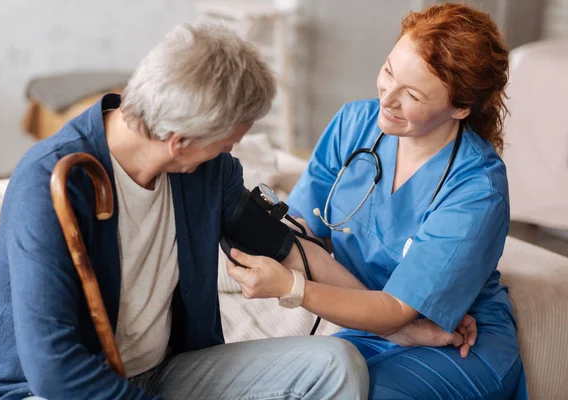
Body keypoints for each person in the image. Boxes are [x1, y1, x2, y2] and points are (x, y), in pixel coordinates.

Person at [0, 24, 371, 399]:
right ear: (178, 142)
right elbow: (53, 368)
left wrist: (393, 319)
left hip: (164, 371)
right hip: (52, 390)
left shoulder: (207, 172)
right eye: (227, 141)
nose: (230, 150)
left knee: (338, 365)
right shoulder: (53, 180)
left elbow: (288, 249)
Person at [226, 4, 527, 399]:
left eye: (413, 95)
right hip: (373, 323)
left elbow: (396, 308)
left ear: (460, 108)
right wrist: (397, 326)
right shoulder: (354, 125)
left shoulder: (476, 189)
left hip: (455, 342)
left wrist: (292, 287)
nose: (388, 98)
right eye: (389, 71)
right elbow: (301, 239)